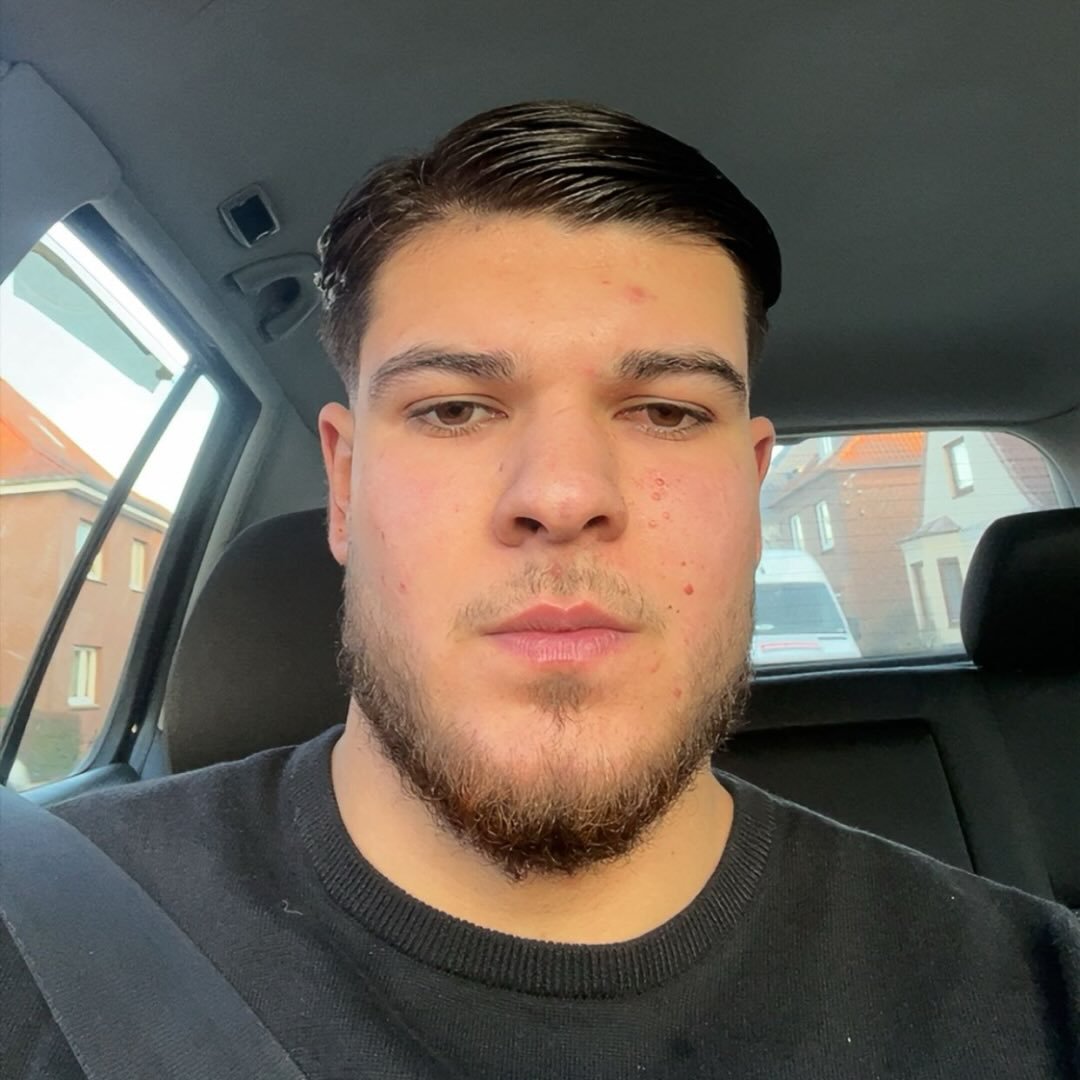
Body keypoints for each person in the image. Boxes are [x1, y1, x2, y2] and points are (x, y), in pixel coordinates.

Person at [1, 100, 1077, 1079]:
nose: (562, 496)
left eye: (666, 412)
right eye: (454, 409)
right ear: (345, 484)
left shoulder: (1039, 1001)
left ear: (753, 496)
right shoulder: (36, 943)